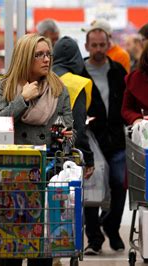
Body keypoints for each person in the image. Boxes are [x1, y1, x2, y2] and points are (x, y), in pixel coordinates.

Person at [0, 33, 73, 266]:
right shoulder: (5, 87)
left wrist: (66, 136)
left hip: (45, 174)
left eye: (48, 54)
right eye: (39, 55)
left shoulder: (58, 89)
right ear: (26, 57)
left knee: (41, 250)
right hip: (10, 175)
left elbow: (69, 129)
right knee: (11, 249)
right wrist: (22, 100)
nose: (46, 59)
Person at [81, 23, 128, 255]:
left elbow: (127, 103)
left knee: (119, 185)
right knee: (91, 189)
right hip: (92, 140)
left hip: (117, 139)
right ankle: (95, 238)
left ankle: (112, 226)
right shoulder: (79, 72)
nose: (99, 49)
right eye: (94, 45)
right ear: (87, 46)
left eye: (102, 45)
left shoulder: (118, 71)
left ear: (108, 45)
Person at [52, 36, 94, 179]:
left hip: (43, 155)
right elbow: (78, 127)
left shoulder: (43, 79)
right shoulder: (76, 84)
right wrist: (88, 158)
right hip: (66, 159)